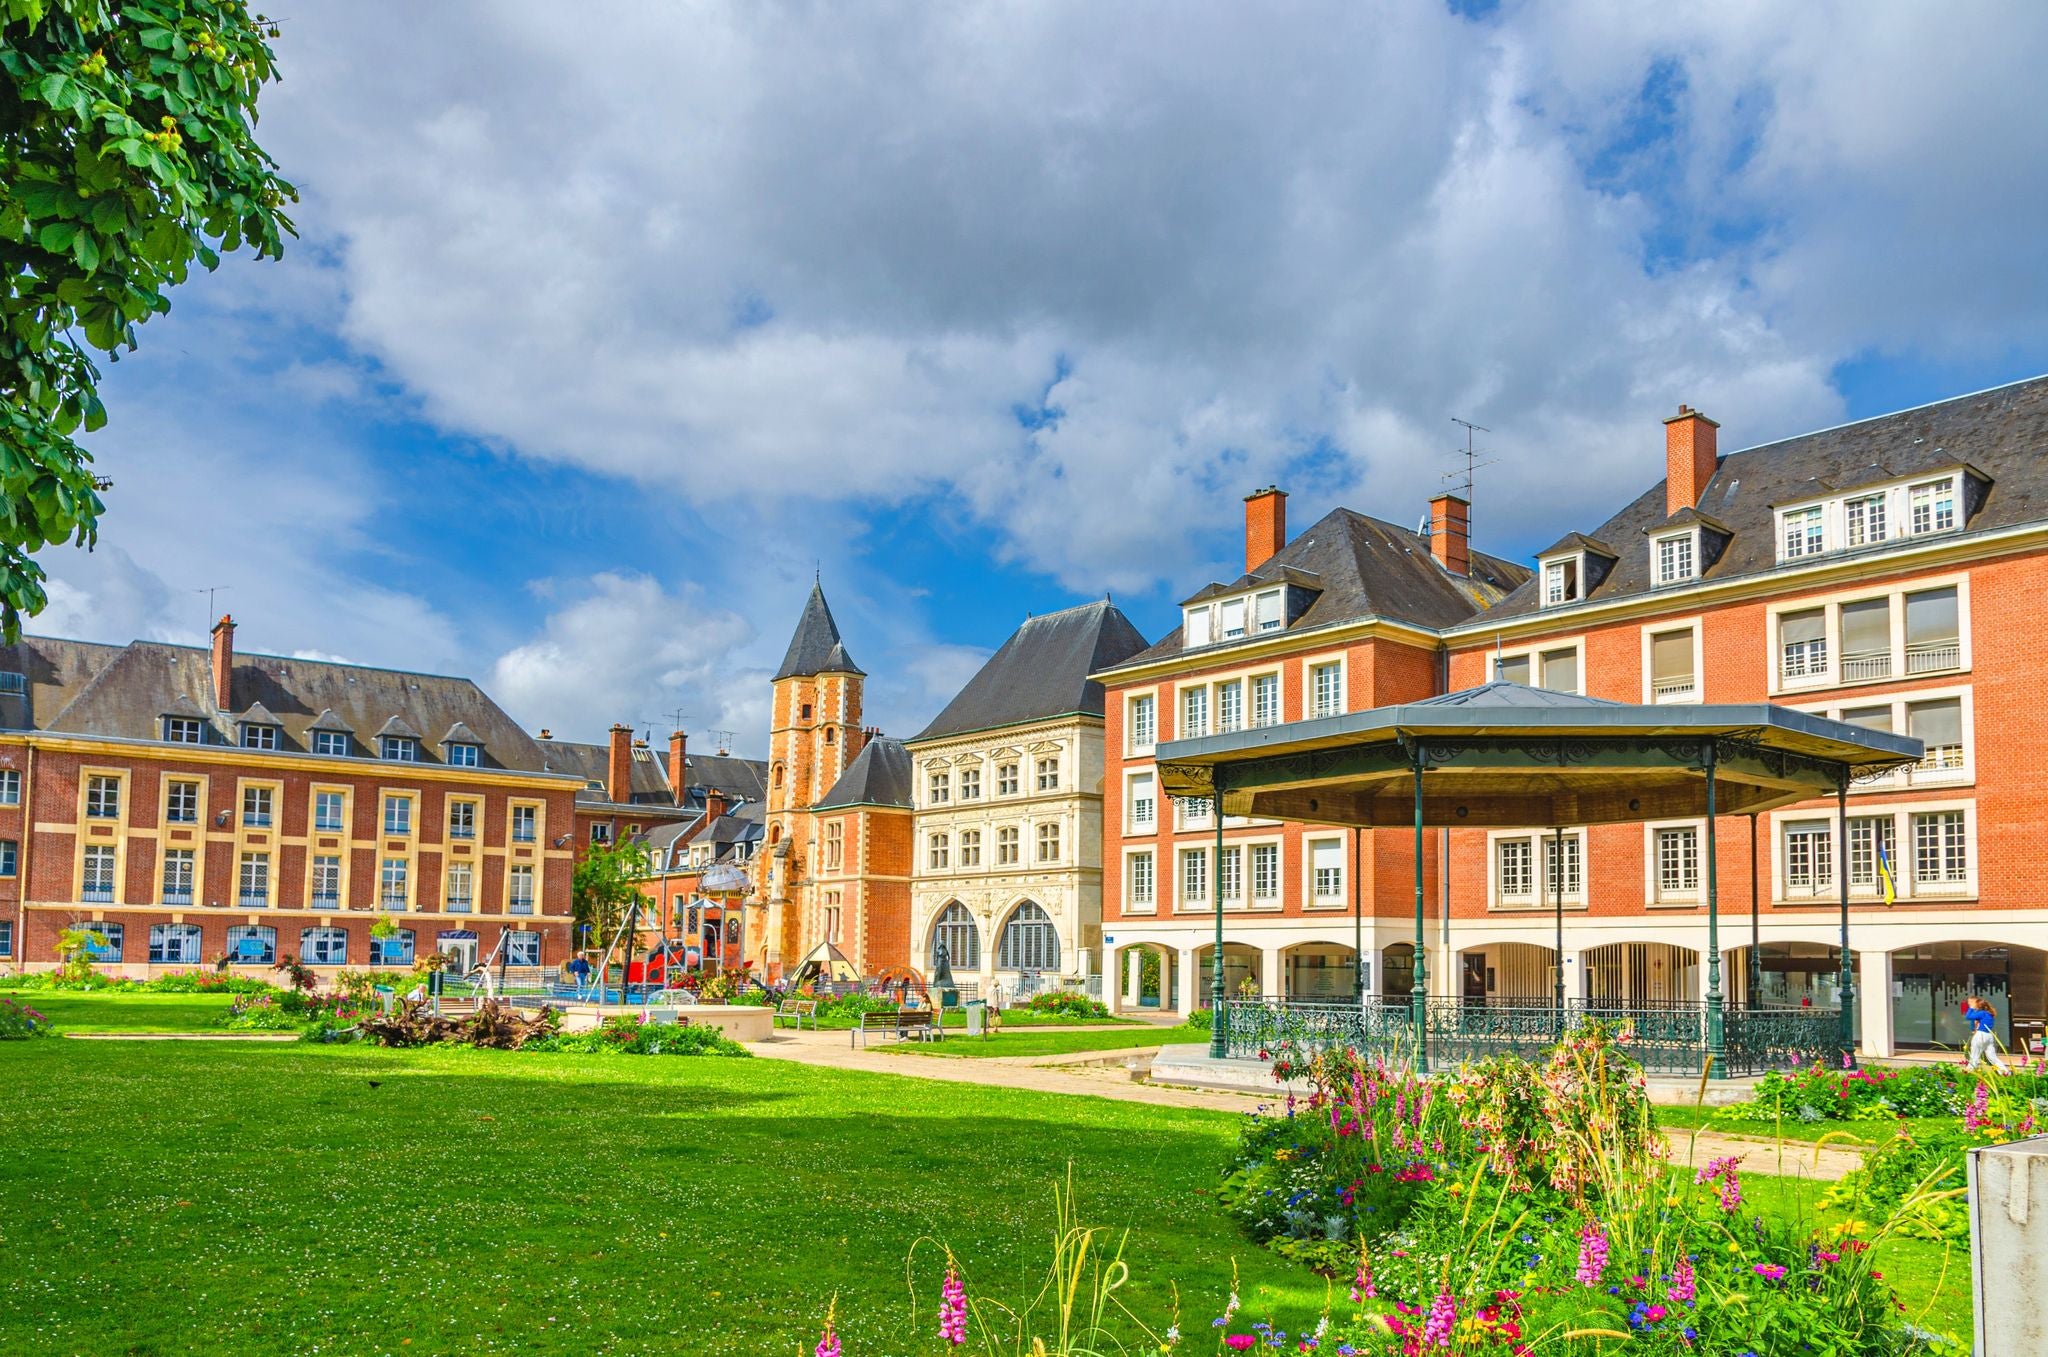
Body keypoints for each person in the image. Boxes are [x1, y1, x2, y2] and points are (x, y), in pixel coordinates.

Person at [1965, 995, 2010, 1074]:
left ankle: (1968, 1073)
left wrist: (1971, 1008)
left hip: (1980, 1035)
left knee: (1974, 1056)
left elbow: (1968, 1017)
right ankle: (2005, 1072)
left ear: (1979, 1006)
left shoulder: (1982, 1013)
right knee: (1992, 1057)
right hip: (1989, 1036)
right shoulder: (1989, 1014)